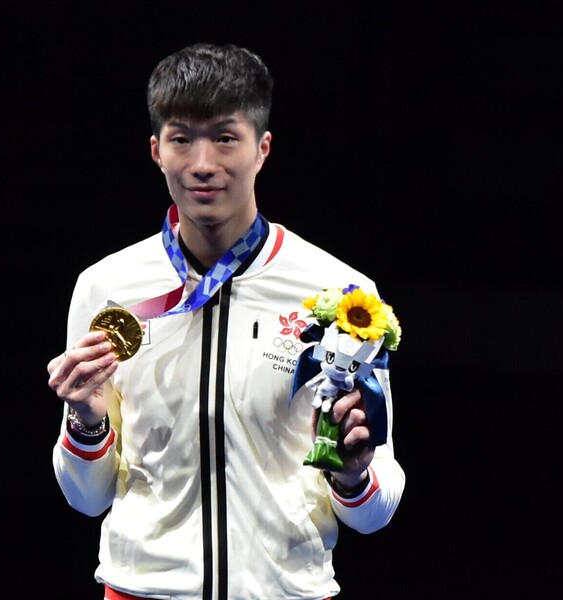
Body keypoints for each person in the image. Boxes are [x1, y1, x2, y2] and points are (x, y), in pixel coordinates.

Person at [47, 42, 406, 600]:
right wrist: (85, 425)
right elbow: (86, 498)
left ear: (262, 148)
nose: (202, 164)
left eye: (224, 137)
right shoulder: (106, 289)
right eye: (181, 138)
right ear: (155, 150)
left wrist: (354, 475)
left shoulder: (341, 295)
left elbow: (375, 514)